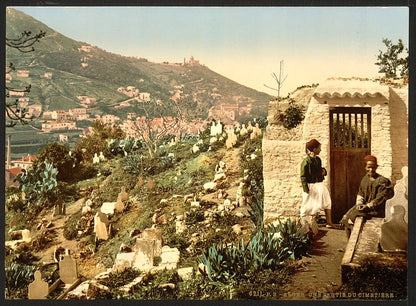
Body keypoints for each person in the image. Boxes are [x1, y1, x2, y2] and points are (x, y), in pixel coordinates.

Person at [341, 155, 394, 238]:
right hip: (365, 208)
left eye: (373, 167)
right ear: (365, 167)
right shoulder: (365, 179)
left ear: (376, 167)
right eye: (369, 167)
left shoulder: (382, 181)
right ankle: (350, 243)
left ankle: (354, 241)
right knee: (346, 218)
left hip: (376, 210)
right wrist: (359, 204)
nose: (371, 170)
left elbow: (380, 199)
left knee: (351, 218)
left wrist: (367, 206)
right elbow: (361, 193)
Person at [300, 139, 337, 229]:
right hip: (310, 186)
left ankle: (329, 222)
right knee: (309, 205)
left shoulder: (318, 159)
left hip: (319, 185)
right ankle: (305, 224)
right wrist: (306, 190)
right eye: (319, 148)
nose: (320, 150)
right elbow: (303, 176)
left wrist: (324, 171)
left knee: (327, 201)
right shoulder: (306, 161)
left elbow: (319, 170)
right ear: (314, 149)